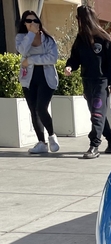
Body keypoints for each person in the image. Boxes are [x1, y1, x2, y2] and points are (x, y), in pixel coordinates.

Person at [64, 5, 111, 159]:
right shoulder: (80, 39)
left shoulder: (104, 38)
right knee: (97, 114)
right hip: (87, 81)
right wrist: (69, 67)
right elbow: (75, 57)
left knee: (96, 114)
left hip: (101, 82)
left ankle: (94, 145)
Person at [15, 10, 60, 154]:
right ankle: (41, 142)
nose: (32, 23)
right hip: (28, 78)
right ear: (24, 23)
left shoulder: (48, 39)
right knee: (33, 111)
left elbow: (52, 58)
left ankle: (52, 136)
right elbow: (22, 50)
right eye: (29, 21)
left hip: (46, 78)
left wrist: (31, 60)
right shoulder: (21, 38)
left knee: (41, 108)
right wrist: (31, 34)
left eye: (35, 20)